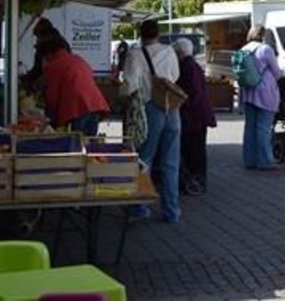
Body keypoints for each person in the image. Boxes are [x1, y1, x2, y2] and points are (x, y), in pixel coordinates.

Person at [121, 20, 181, 222]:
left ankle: (141, 207)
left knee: (144, 159)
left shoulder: (135, 54)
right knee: (171, 162)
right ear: (158, 34)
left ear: (141, 34)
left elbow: (130, 84)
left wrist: (123, 97)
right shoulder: (170, 51)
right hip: (171, 109)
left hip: (149, 109)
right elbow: (175, 76)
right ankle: (172, 211)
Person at [173, 38, 217, 195]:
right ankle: (195, 179)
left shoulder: (187, 67)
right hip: (197, 115)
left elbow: (192, 93)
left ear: (180, 52)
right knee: (195, 149)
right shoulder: (192, 65)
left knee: (193, 149)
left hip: (193, 116)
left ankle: (195, 180)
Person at [40, 39, 109, 135]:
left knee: (76, 143)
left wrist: (52, 118)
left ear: (48, 54)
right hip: (95, 104)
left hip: (77, 107)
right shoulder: (78, 59)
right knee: (88, 142)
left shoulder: (54, 65)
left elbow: (52, 95)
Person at [239, 26, 282, 171]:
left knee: (249, 127)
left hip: (248, 92)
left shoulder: (243, 49)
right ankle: (265, 162)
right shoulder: (266, 49)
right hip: (265, 92)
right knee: (263, 128)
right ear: (263, 35)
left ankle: (249, 160)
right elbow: (277, 72)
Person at [21, 18, 71, 92]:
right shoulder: (62, 43)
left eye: (37, 36)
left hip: (53, 86)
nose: (36, 40)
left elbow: (38, 70)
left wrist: (26, 79)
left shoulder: (45, 46)